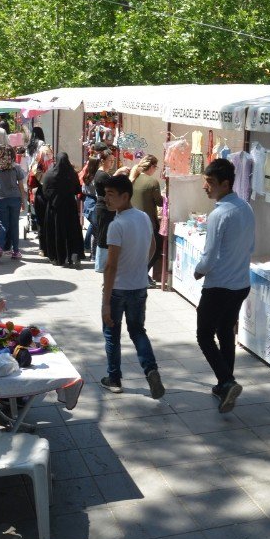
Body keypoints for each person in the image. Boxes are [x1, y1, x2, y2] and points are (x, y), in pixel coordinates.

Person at [194, 158, 255, 414]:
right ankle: (224, 384)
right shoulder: (245, 208)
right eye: (205, 182)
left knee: (205, 335)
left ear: (226, 183)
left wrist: (199, 271)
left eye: (210, 183)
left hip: (219, 285)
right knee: (225, 331)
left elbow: (209, 256)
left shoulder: (220, 214)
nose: (205, 187)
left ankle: (227, 381)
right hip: (240, 283)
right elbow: (250, 246)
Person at [99, 174, 165, 399]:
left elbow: (111, 267)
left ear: (125, 196)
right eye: (105, 194)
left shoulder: (117, 225)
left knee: (111, 334)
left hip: (118, 289)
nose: (106, 199)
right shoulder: (144, 217)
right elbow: (153, 246)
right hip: (139, 287)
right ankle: (151, 370)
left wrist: (105, 303)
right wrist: (140, 268)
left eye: (111, 195)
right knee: (138, 331)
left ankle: (114, 378)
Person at [41, 152, 84, 267]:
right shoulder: (72, 174)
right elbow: (77, 190)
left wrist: (54, 198)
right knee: (71, 231)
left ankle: (56, 256)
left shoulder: (49, 174)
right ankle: (73, 254)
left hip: (54, 208)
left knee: (55, 231)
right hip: (69, 207)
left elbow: (45, 191)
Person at [129, 155, 164, 287]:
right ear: (151, 166)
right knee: (156, 248)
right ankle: (142, 274)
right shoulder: (152, 182)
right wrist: (165, 199)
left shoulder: (133, 178)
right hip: (147, 222)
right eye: (156, 167)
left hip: (133, 221)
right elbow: (159, 203)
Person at [91, 144, 118, 273]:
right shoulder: (102, 175)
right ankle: (100, 265)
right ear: (103, 161)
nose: (112, 163)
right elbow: (113, 188)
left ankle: (102, 263)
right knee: (103, 235)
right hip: (104, 208)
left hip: (105, 207)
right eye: (110, 161)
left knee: (104, 234)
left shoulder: (104, 174)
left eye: (113, 161)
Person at [79, 154, 101, 255]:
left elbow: (83, 189)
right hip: (93, 201)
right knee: (94, 225)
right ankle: (87, 245)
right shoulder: (95, 177)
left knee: (93, 224)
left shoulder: (87, 176)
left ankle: (86, 245)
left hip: (88, 200)